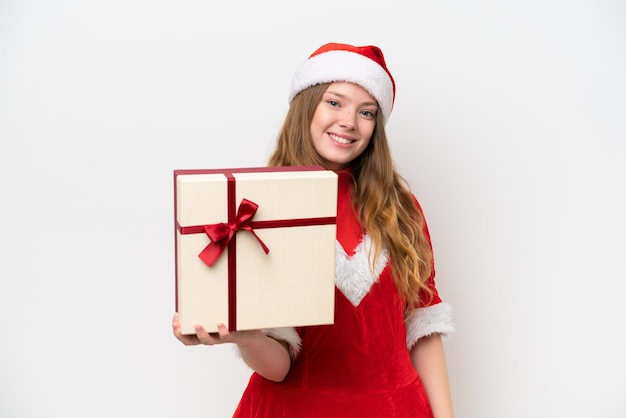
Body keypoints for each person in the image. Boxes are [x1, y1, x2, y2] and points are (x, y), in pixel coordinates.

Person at [172, 42, 456, 418]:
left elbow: (423, 326)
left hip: (394, 407)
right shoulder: (262, 208)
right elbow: (280, 365)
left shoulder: (401, 210)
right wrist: (246, 335)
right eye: (334, 102)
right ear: (307, 106)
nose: (349, 122)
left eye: (366, 112)